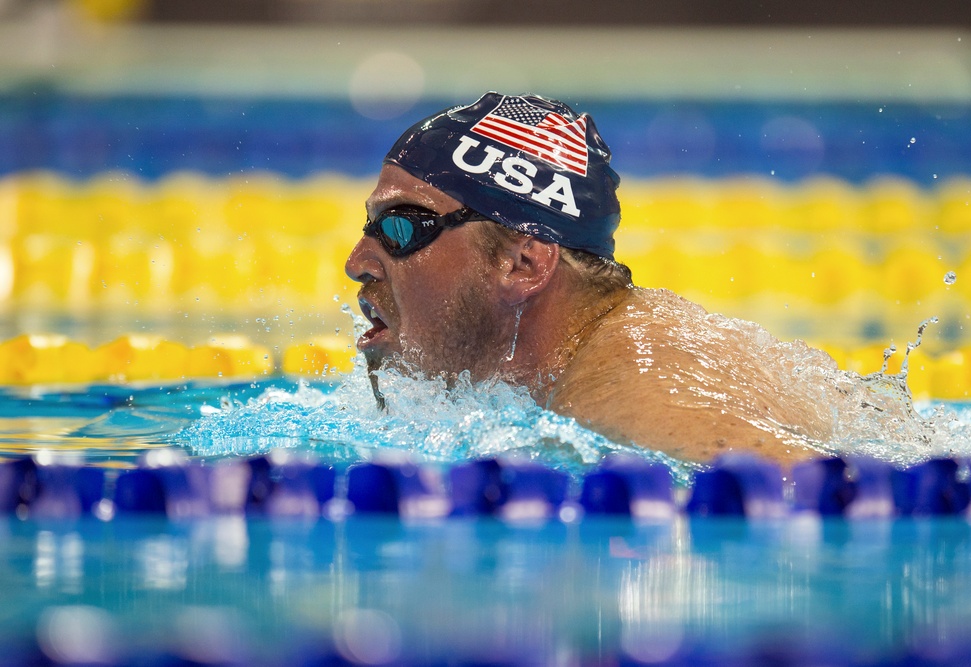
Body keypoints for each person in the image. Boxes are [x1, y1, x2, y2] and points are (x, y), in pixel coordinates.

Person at [345, 92, 844, 466]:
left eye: (402, 225)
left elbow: (815, 502)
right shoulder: (619, 351)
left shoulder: (631, 403)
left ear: (525, 264)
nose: (357, 261)